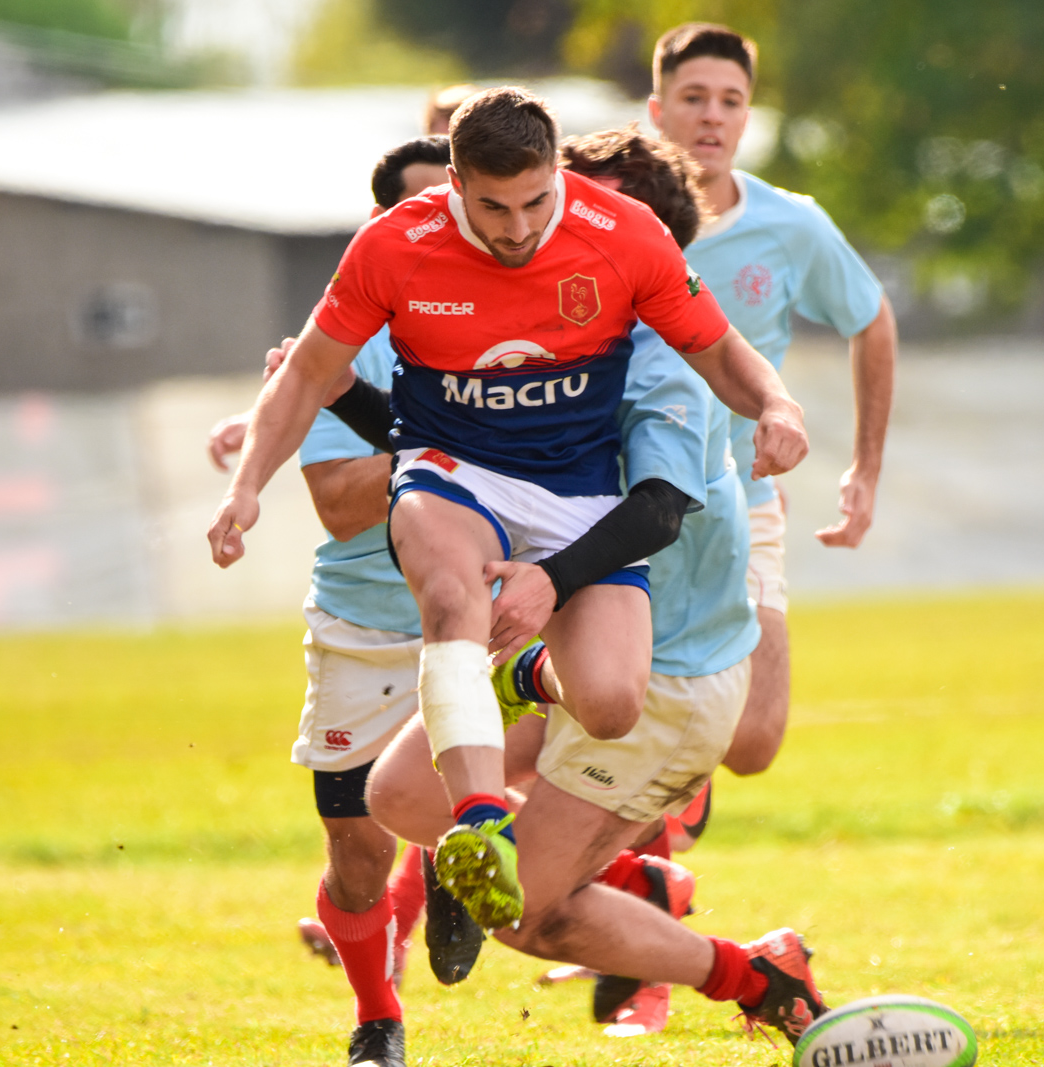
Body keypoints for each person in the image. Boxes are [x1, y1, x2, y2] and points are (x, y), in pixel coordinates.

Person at [206, 87, 809, 938]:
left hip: (577, 493)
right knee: (452, 599)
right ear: (454, 179)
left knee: (607, 703)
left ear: (558, 171)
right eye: (493, 206)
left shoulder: (620, 237)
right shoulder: (395, 244)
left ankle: (520, 678)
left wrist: (777, 407)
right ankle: (481, 820)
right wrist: (245, 487)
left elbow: (716, 350)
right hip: (454, 472)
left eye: (535, 201)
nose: (519, 228)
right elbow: (305, 373)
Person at [352, 127, 824, 1048]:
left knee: (524, 911)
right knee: (402, 794)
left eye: (573, 201)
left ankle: (757, 975)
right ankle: (630, 876)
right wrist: (325, 384)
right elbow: (442, 441)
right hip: (570, 650)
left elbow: (655, 513)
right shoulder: (564, 328)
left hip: (664, 685)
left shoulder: (665, 354)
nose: (542, 226)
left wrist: (548, 577)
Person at [208, 137, 475, 1067]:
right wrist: (460, 454)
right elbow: (341, 503)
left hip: (479, 620)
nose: (448, 224)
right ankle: (377, 1014)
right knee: (356, 860)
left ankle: (460, 861)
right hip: (364, 630)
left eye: (461, 204)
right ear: (382, 227)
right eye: (422, 210)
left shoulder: (516, 330)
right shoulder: (341, 341)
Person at [650, 23, 899, 776]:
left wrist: (865, 468)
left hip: (739, 497)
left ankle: (644, 830)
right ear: (657, 110)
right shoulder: (617, 214)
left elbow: (872, 319)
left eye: (731, 100)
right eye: (693, 97)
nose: (712, 116)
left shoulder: (790, 224)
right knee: (607, 701)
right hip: (619, 497)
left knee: (754, 741)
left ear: (748, 116)